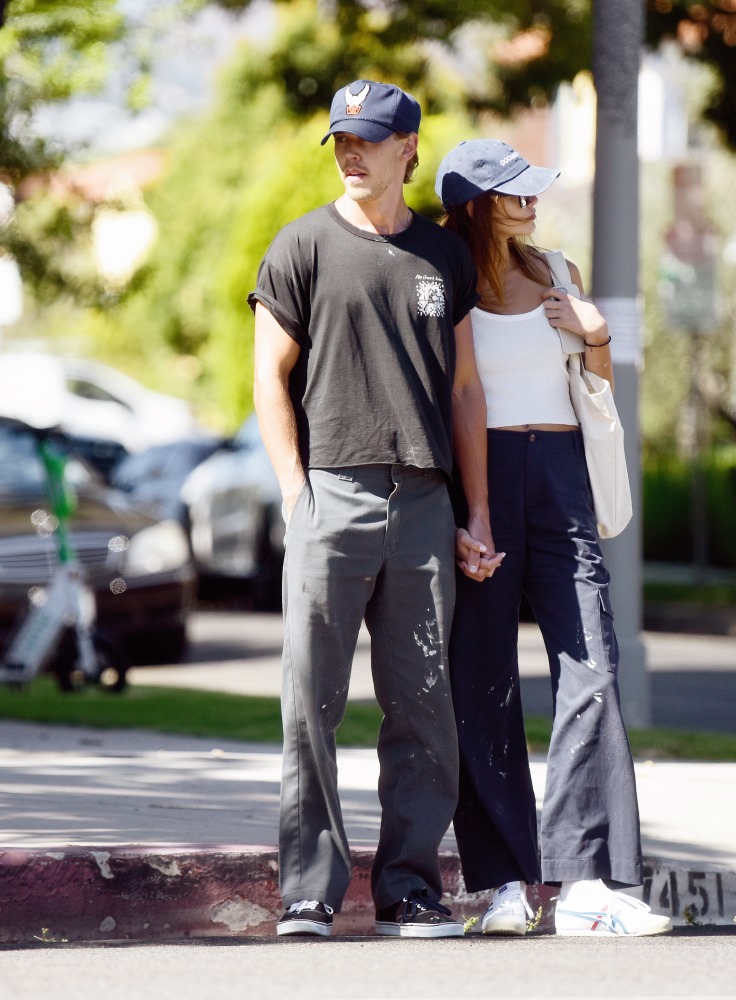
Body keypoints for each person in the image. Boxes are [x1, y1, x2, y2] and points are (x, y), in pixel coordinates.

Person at [249, 82, 501, 940]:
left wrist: (478, 513)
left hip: (425, 504)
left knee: (425, 708)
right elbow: (268, 376)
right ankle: (309, 891)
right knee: (310, 704)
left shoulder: (443, 256)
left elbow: (466, 390)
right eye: (342, 141)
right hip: (333, 495)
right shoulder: (302, 246)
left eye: (368, 139)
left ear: (409, 149)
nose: (352, 153)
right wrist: (296, 492)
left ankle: (409, 890)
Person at [435, 139, 672, 937]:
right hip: (484, 476)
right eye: (514, 192)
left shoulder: (558, 272)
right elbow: (450, 396)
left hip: (562, 473)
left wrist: (596, 334)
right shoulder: (448, 281)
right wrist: (470, 512)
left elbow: (592, 388)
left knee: (593, 666)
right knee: (483, 679)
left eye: (534, 189)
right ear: (475, 205)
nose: (531, 202)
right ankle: (504, 882)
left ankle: (585, 884)